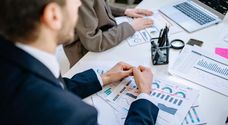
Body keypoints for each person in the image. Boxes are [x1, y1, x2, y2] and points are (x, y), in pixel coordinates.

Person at [0, 0, 159, 125]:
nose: (79, 4)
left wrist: (104, 78)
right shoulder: (73, 116)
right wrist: (145, 97)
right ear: (53, 15)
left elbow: (58, 86)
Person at [63, 0, 154, 67]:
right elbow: (94, 42)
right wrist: (131, 27)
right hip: (86, 57)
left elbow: (96, 5)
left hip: (102, 41)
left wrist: (124, 11)